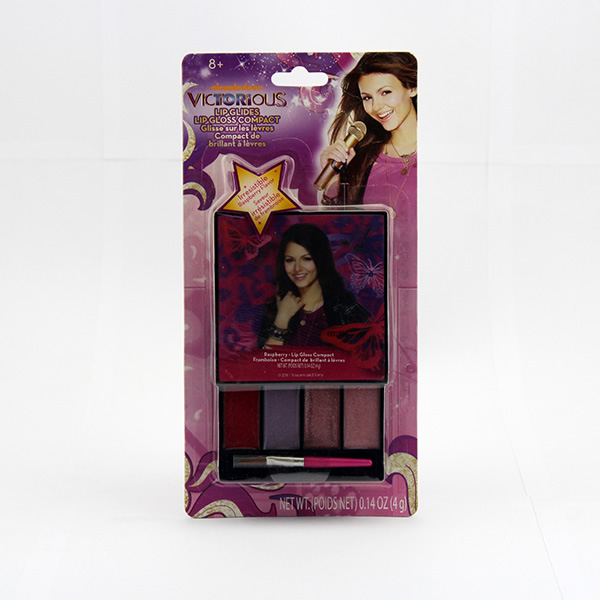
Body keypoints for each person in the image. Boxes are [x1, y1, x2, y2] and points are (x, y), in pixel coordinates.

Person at [319, 52, 417, 206]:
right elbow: (342, 218)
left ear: (412, 88)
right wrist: (334, 179)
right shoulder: (364, 159)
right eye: (367, 97)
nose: (376, 107)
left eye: (385, 92)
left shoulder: (440, 151)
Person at [258, 223, 370, 348]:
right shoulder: (276, 306)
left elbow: (378, 348)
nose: (297, 268)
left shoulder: (342, 305)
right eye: (290, 260)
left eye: (306, 259)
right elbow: (263, 359)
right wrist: (282, 319)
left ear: (320, 260)